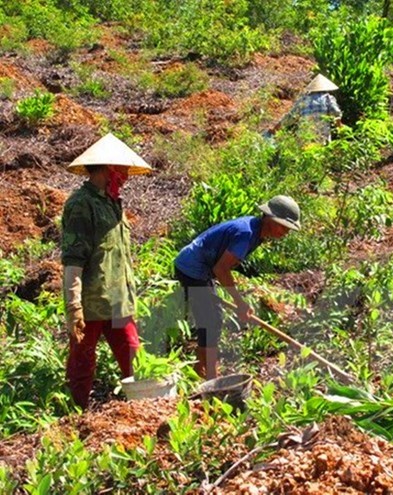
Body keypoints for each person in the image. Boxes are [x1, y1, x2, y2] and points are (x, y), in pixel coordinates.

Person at [61, 133, 152, 409]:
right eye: (122, 170)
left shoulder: (113, 203)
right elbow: (73, 260)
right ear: (107, 169)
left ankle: (142, 408)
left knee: (135, 357)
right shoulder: (81, 204)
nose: (125, 176)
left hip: (118, 302)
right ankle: (74, 416)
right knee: (82, 361)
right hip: (91, 302)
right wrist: (73, 306)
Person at [174, 195, 301, 380]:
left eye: (288, 228)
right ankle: (209, 377)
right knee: (210, 321)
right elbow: (221, 269)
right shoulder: (246, 234)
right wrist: (240, 303)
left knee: (211, 321)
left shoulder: (255, 231)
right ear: (269, 218)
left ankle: (201, 370)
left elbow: (221, 265)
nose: (285, 232)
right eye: (283, 226)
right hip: (192, 269)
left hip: (201, 269)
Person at [273, 74, 342, 143]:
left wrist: (275, 129)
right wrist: (342, 131)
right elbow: (336, 115)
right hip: (322, 139)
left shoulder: (303, 100)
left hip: (305, 139)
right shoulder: (328, 98)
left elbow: (290, 117)